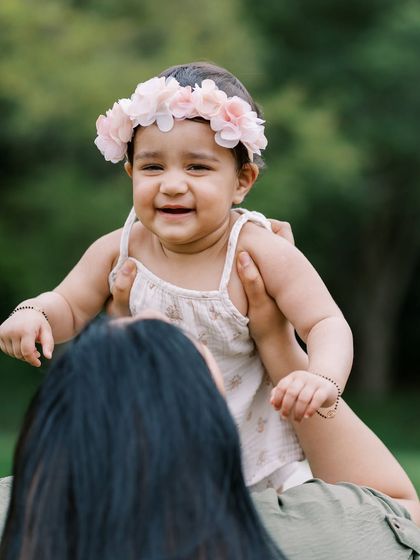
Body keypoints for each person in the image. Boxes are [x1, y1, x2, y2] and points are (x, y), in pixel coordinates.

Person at [0, 61, 353, 491]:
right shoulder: (122, 247)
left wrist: (323, 377)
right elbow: (69, 305)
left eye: (197, 168)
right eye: (152, 167)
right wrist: (33, 311)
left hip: (251, 451)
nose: (171, 185)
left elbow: (325, 322)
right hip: (152, 449)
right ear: (131, 173)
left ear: (241, 181)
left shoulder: (257, 250)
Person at [0, 280, 419, 558]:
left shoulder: (16, 515)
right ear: (211, 423)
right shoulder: (308, 533)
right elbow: (399, 507)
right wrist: (277, 343)